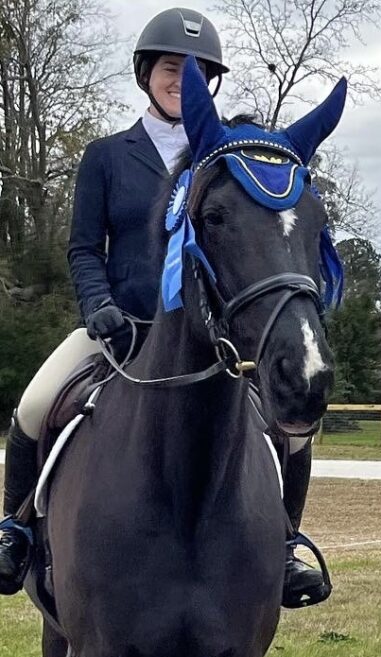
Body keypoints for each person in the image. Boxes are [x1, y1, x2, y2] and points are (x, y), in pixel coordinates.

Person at [0, 7, 330, 608]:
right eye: (172, 67)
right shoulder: (107, 156)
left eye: (199, 70)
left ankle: (283, 552)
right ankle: (16, 533)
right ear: (146, 73)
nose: (185, 80)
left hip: (210, 338)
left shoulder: (227, 157)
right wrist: (98, 303)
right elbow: (83, 247)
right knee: (35, 404)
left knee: (294, 436)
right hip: (121, 330)